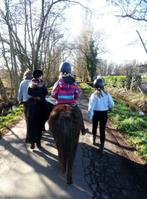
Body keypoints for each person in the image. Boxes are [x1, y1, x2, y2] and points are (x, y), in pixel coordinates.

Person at [51, 62, 89, 135]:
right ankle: (83, 130)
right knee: (80, 114)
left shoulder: (58, 82)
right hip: (72, 104)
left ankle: (51, 129)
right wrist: (74, 98)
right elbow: (78, 93)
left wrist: (58, 98)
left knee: (51, 116)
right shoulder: (73, 82)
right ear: (70, 71)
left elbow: (53, 94)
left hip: (59, 104)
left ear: (60, 71)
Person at [27, 69, 54, 149]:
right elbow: (46, 92)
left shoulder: (31, 82)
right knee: (40, 124)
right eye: (41, 75)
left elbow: (29, 92)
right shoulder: (41, 82)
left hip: (32, 105)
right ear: (40, 75)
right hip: (41, 104)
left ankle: (32, 143)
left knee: (31, 125)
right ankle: (38, 143)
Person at [87, 77, 114, 153]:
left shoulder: (93, 95)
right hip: (104, 114)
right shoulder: (107, 94)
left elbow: (91, 107)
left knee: (94, 127)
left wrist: (90, 116)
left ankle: (94, 140)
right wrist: (108, 106)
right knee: (102, 130)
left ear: (95, 86)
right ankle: (102, 146)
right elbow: (112, 104)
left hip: (96, 114)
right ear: (103, 85)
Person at [17, 69, 32, 143]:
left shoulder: (22, 82)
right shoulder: (33, 81)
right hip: (34, 102)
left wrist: (19, 100)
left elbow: (20, 93)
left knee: (27, 120)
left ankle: (28, 137)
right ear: (31, 75)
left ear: (25, 75)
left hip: (26, 103)